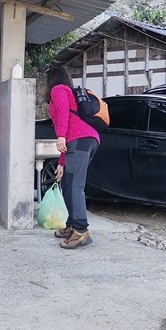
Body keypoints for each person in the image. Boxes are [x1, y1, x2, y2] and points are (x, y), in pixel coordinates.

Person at [46, 65, 101, 249]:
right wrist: (61, 163)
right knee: (67, 183)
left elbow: (63, 115)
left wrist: (60, 135)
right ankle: (71, 224)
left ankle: (81, 231)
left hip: (80, 139)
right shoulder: (67, 91)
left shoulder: (59, 89)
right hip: (82, 140)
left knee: (76, 185)